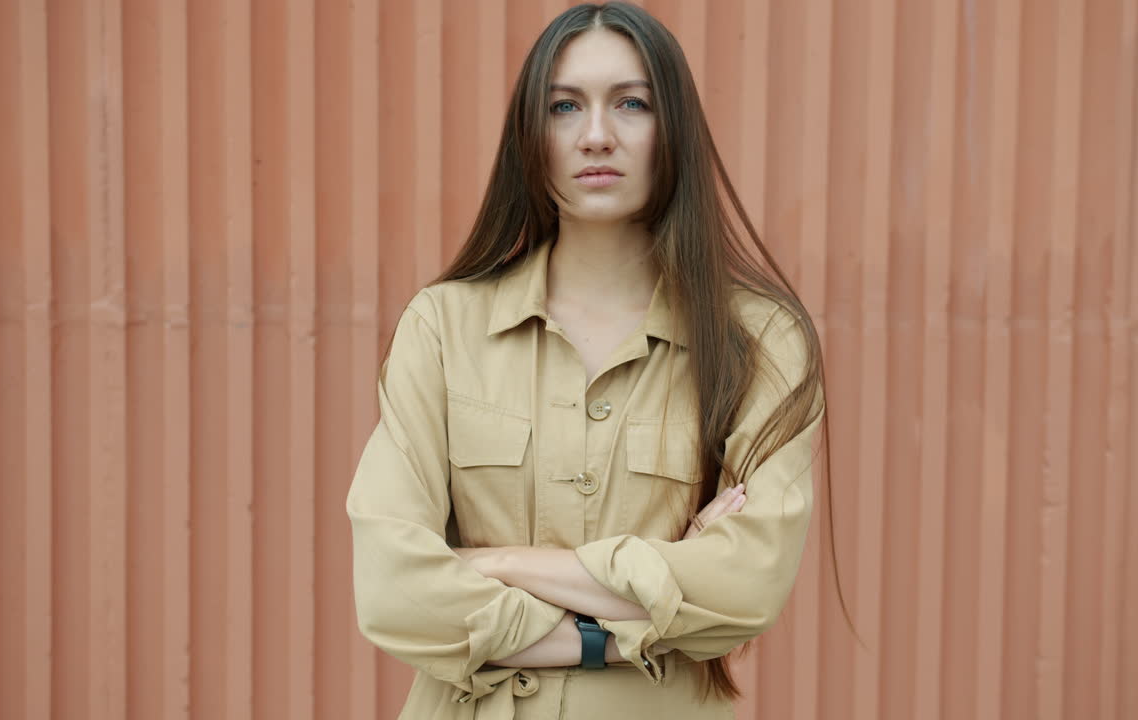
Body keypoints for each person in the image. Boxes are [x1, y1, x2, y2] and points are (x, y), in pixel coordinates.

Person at [347, 3, 830, 718]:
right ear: (529, 136)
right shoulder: (444, 327)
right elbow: (393, 590)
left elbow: (744, 589)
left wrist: (495, 565)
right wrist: (622, 625)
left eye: (631, 104)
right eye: (564, 106)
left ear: (676, 132)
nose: (596, 136)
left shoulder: (760, 339)